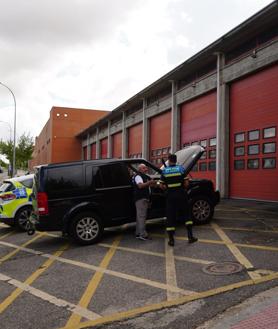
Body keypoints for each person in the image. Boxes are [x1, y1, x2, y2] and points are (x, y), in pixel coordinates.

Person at [160, 153, 198, 246]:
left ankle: (171, 240)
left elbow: (161, 185)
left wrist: (168, 187)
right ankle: (190, 237)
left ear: (169, 160)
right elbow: (186, 184)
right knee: (186, 215)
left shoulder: (164, 171)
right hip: (181, 195)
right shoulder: (181, 169)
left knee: (170, 216)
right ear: (176, 160)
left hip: (170, 196)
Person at [133, 164, 155, 241]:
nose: (146, 169)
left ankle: (138, 233)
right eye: (143, 168)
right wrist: (149, 183)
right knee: (142, 217)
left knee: (139, 217)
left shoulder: (144, 176)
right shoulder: (138, 176)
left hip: (142, 199)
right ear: (139, 169)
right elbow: (140, 186)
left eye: (146, 167)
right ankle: (143, 235)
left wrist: (152, 184)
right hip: (141, 199)